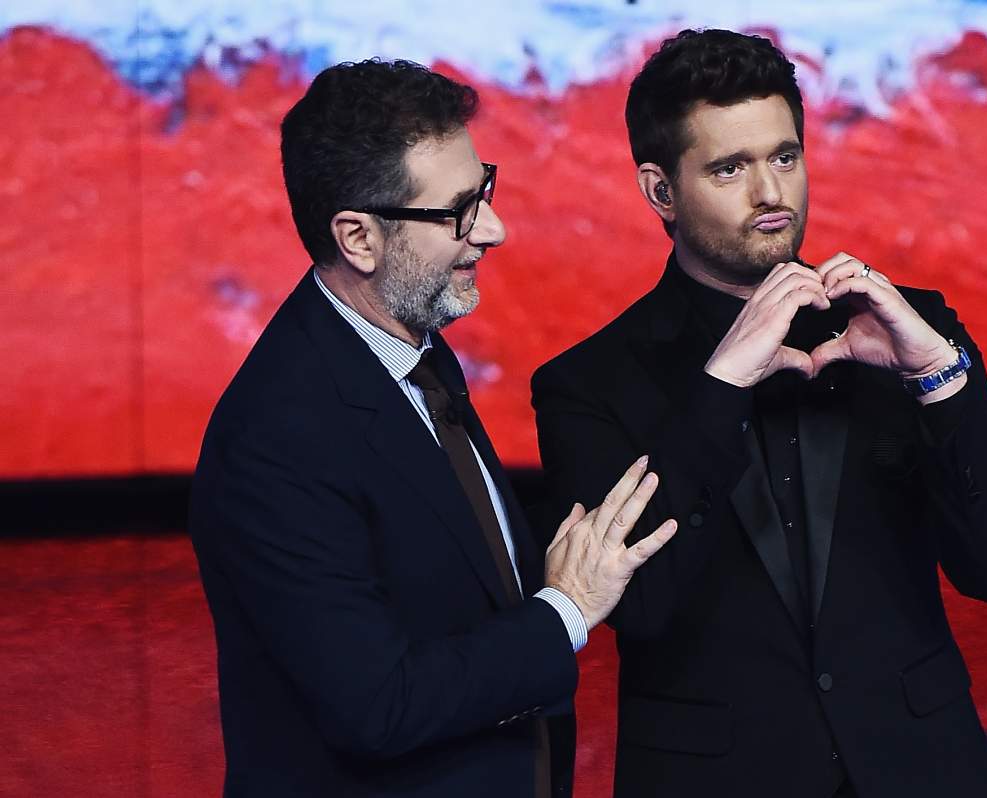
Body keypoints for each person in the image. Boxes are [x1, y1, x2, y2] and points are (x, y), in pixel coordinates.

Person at [531, 29, 987, 798]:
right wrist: (722, 386)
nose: (772, 193)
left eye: (785, 157)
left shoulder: (905, 329)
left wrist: (940, 379)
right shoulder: (586, 383)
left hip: (922, 770)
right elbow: (637, 608)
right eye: (730, 168)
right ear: (659, 190)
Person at [188, 59, 676, 798]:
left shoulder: (409, 347)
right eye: (458, 211)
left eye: (485, 191)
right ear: (358, 238)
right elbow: (379, 707)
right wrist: (567, 610)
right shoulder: (273, 441)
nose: (495, 229)